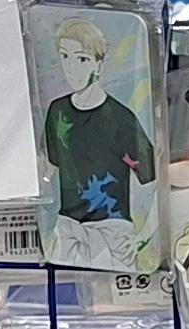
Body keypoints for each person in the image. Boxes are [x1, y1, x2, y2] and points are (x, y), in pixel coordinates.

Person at [40, 14, 156, 233]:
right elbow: (50, 167)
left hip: (111, 226)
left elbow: (151, 177)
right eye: (65, 56)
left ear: (98, 65)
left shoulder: (120, 119)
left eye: (82, 59)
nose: (71, 68)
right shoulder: (57, 111)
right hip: (67, 224)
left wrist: (146, 234)